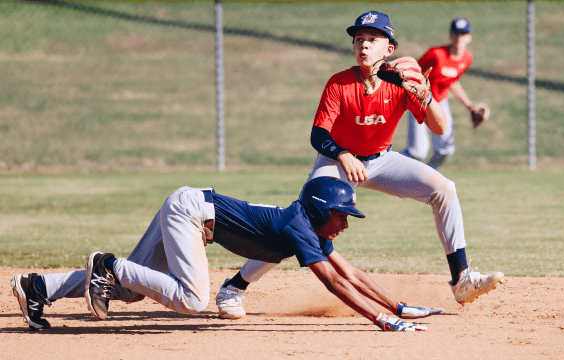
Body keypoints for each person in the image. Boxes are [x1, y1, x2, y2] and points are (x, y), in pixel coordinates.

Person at [214, 11, 504, 320]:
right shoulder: (340, 83)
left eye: (373, 39)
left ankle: (461, 280)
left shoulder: (400, 83)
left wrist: (425, 95)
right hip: (337, 160)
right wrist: (342, 154)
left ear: (388, 50)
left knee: (444, 188)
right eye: (359, 39)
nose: (364, 45)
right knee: (301, 223)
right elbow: (318, 134)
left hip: (382, 160)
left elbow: (440, 128)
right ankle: (234, 287)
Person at [10, 177, 442, 332]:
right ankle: (109, 264)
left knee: (127, 293)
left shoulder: (307, 228)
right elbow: (331, 282)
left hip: (188, 207)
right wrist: (381, 321)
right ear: (321, 211)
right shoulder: (299, 226)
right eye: (342, 214)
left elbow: (350, 274)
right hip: (191, 214)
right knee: (192, 300)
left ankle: (36, 288)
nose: (346, 222)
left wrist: (397, 307)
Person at [399, 17, 478, 169]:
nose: (459, 38)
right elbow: (412, 71)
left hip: (440, 103)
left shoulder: (467, 58)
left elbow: (451, 82)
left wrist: (469, 105)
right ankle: (379, 163)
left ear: (469, 37)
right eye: (456, 33)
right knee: (418, 151)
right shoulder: (436, 54)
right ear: (450, 36)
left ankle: (426, 177)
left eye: (463, 34)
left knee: (446, 149)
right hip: (419, 102)